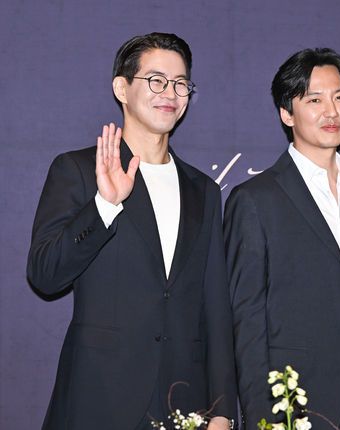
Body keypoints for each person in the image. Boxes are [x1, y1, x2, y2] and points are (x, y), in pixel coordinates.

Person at [27, 32, 236, 430]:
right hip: (98, 397)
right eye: (156, 80)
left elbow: (215, 306)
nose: (169, 93)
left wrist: (223, 408)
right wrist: (104, 206)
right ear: (122, 88)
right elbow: (44, 275)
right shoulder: (78, 170)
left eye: (180, 83)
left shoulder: (204, 191)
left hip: (183, 401)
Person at [224, 48, 340, 429]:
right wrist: (264, 419)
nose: (331, 111)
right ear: (287, 113)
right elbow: (247, 323)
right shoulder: (255, 200)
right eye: (315, 100)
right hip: (298, 401)